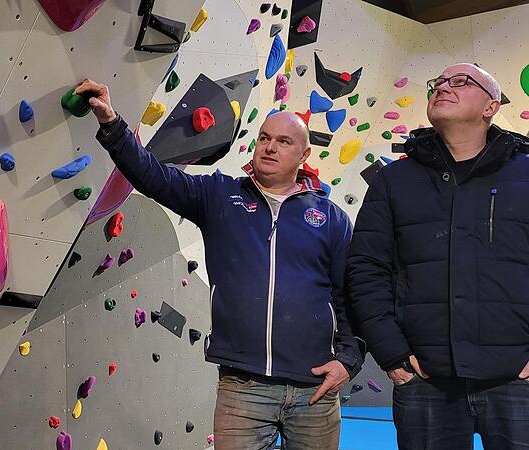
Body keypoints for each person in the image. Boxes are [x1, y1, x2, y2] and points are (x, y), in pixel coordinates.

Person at [75, 79, 364, 449]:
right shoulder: (219, 195)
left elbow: (350, 296)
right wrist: (112, 124)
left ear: (304, 155)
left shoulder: (331, 218)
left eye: (283, 142)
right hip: (242, 388)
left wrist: (348, 361)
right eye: (264, 138)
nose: (270, 147)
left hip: (315, 387)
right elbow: (152, 176)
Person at [347, 63, 529, 449]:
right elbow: (365, 269)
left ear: (491, 106)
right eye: (439, 82)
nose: (443, 87)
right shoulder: (393, 181)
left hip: (518, 380)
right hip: (424, 381)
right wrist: (391, 353)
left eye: (460, 82)